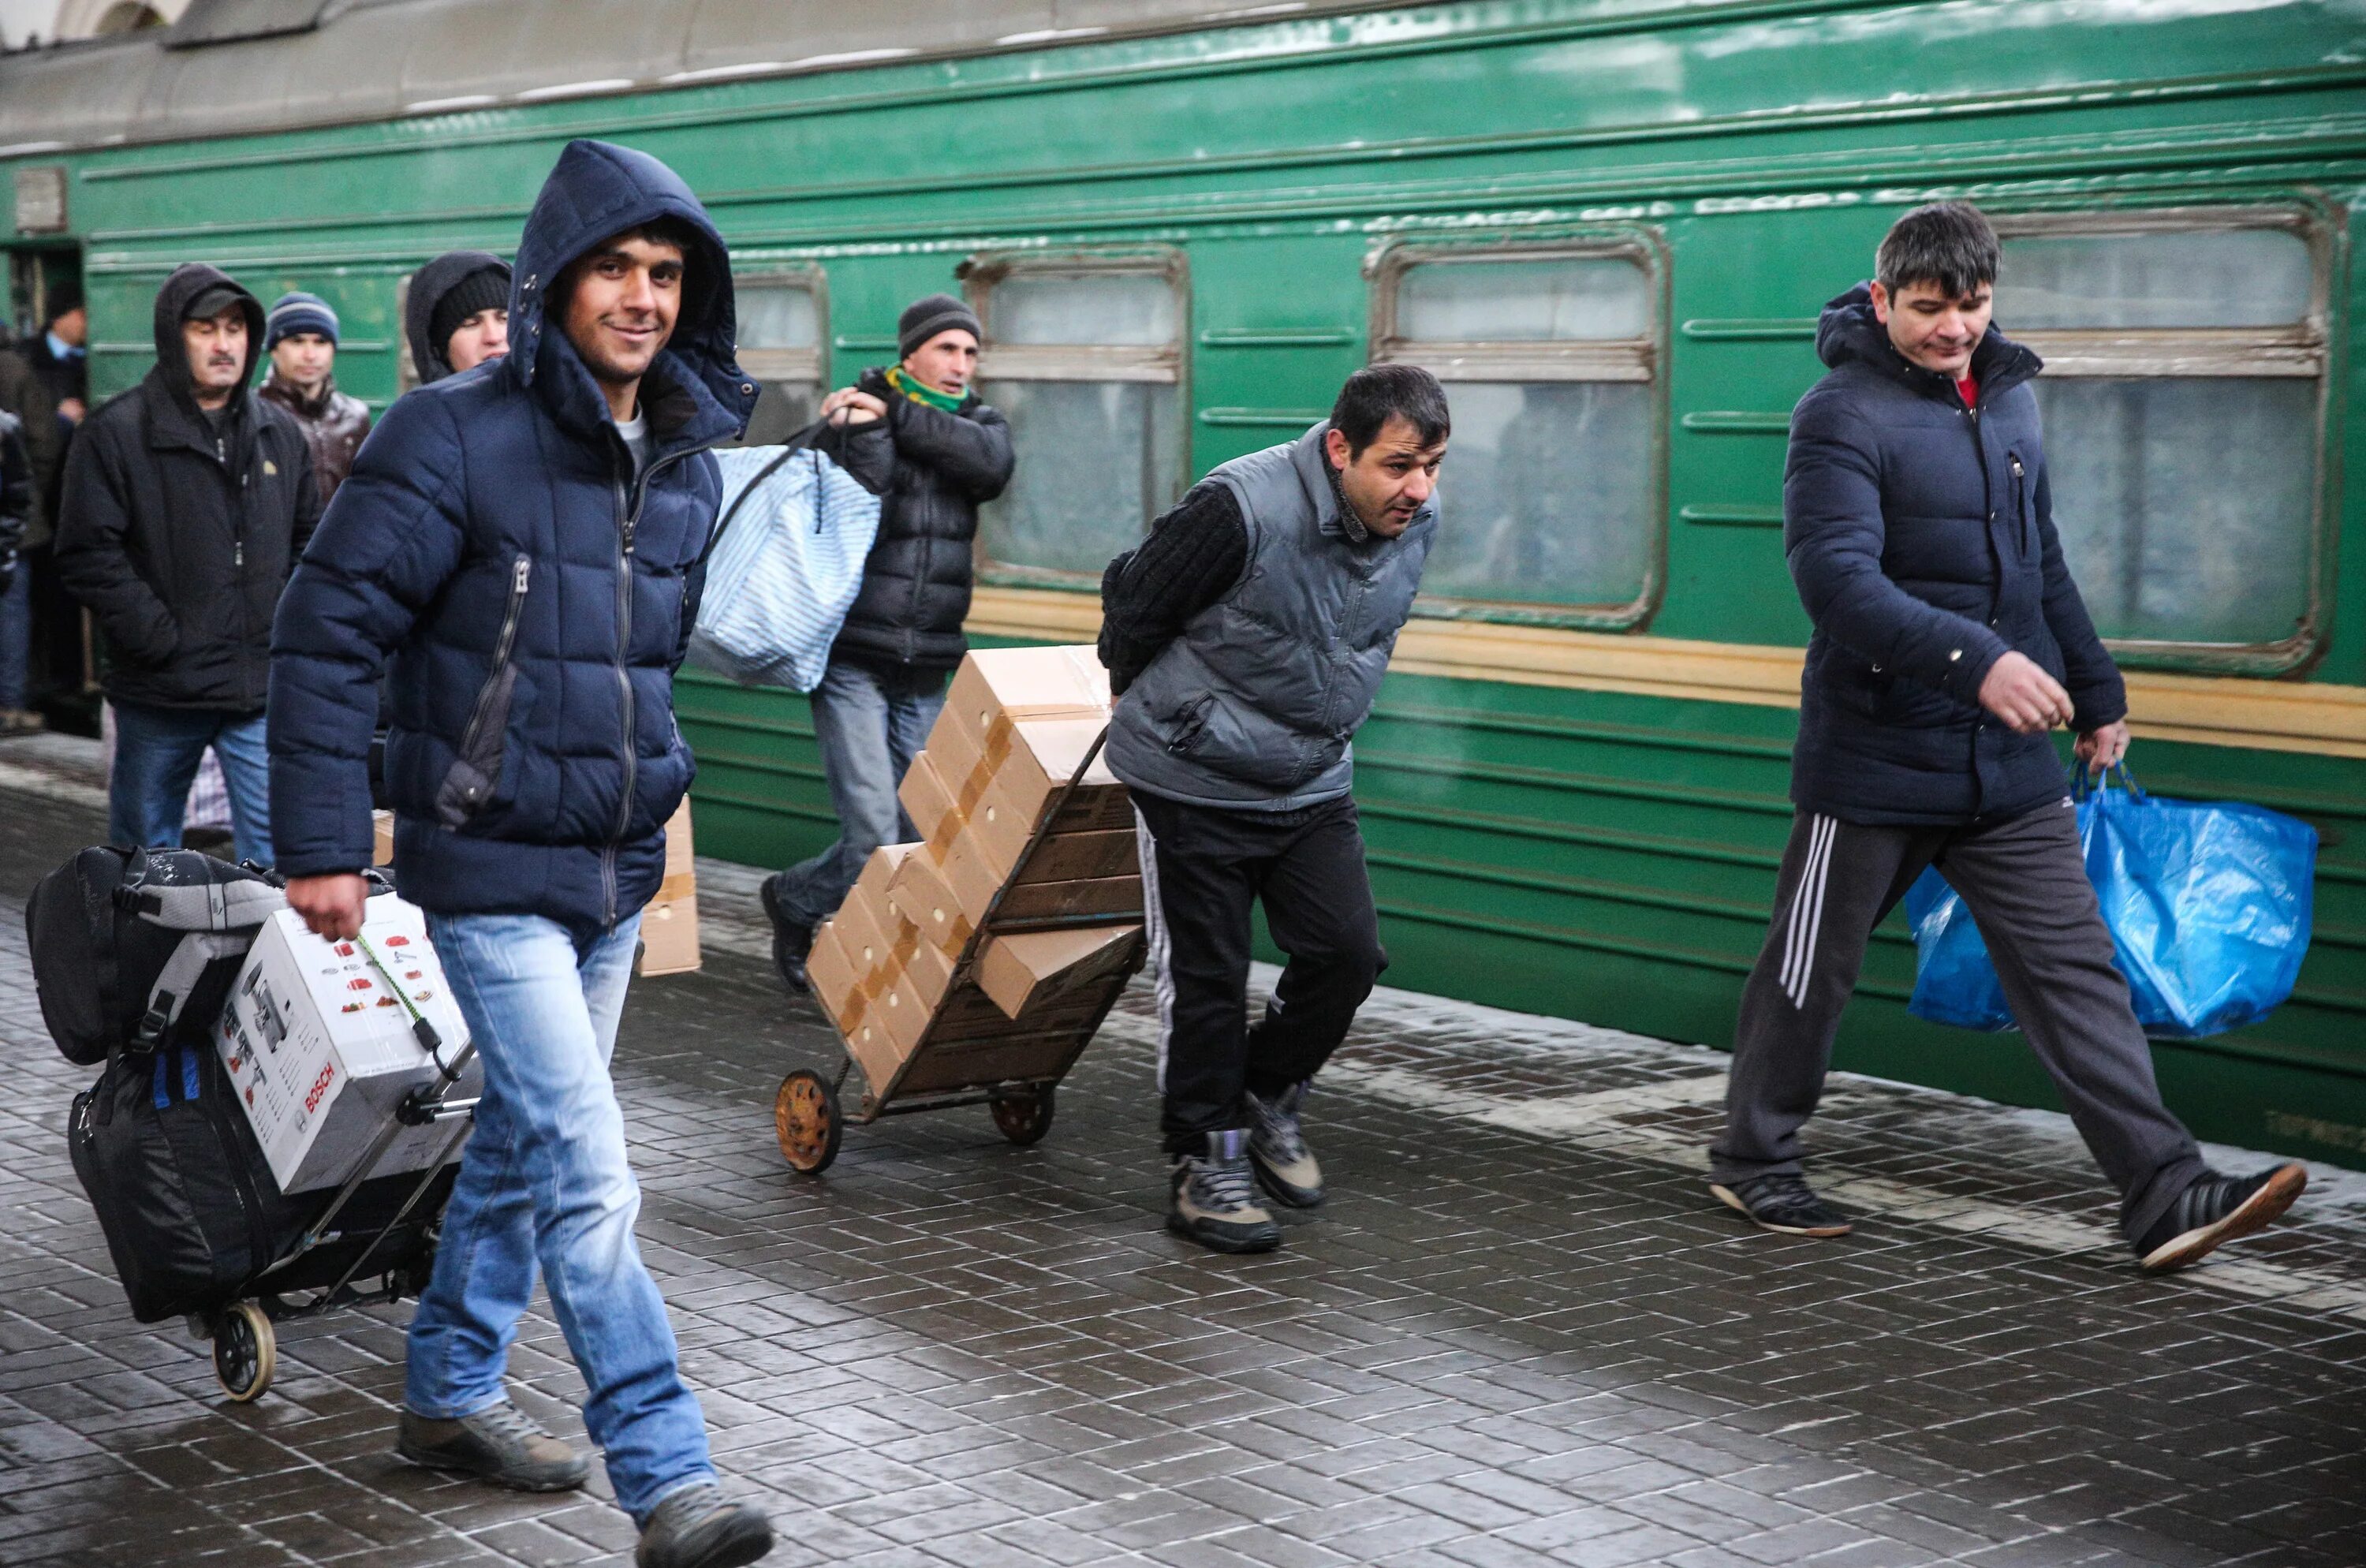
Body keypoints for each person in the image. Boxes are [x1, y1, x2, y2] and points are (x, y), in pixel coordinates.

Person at [267, 139, 773, 1568]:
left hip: (613, 865)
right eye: (615, 267)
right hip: (487, 863)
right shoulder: (451, 431)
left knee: (522, 1142)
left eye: (668, 274)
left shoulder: (681, 452)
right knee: (592, 1170)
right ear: (557, 281)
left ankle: (442, 1395)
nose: (643, 297)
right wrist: (319, 841)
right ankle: (669, 1475)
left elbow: (646, 654)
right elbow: (329, 628)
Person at [1707, 201, 2305, 1275]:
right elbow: (1835, 583)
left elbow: (2043, 563)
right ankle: (1753, 1157)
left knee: (2077, 972)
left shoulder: (2015, 402)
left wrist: (2097, 685)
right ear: (1882, 300)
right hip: (1876, 761)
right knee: (1811, 972)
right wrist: (1974, 664)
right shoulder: (1837, 415)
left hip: (2007, 769)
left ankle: (2165, 1189)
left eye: (1972, 306)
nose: (1953, 329)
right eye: (1929, 308)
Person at [1098, 364, 1449, 1254]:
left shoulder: (1417, 521)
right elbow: (1131, 607)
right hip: (1193, 778)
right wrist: (1181, 716)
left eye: (1434, 465)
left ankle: (1263, 1096)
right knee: (1210, 977)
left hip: (1310, 777)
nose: (1419, 488)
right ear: (1339, 449)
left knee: (1347, 953)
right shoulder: (1241, 506)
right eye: (1400, 464)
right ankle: (1204, 1161)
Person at [757, 292, 1013, 989]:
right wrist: (860, 424)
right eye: (947, 349)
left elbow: (989, 465)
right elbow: (862, 490)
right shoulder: (857, 421)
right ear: (912, 354)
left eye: (970, 352)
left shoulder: (979, 424)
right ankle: (795, 900)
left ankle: (874, 963)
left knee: (920, 832)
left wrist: (892, 409)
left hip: (928, 662)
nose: (961, 364)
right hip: (855, 659)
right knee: (873, 826)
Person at [54, 265, 319, 866]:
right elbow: (87, 552)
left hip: (256, 688)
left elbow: (310, 542)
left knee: (277, 859)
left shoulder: (280, 433)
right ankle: (143, 961)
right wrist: (157, 637)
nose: (224, 344)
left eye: (235, 328)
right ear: (174, 339)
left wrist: (283, 627)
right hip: (161, 692)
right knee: (145, 861)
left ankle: (261, 961)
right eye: (205, 329)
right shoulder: (116, 433)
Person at [0, 285, 88, 734]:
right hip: (16, 517)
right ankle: (11, 703)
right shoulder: (18, 368)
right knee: (13, 608)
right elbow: (43, 444)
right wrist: (29, 496)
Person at [256, 290, 373, 508]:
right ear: (274, 349)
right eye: (297, 341)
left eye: (320, 342)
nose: (310, 355)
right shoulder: (254, 413)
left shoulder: (356, 415)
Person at [405, 249, 512, 383]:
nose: (494, 337)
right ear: (438, 349)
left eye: (504, 319)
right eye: (471, 324)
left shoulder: (544, 400)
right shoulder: (422, 404)